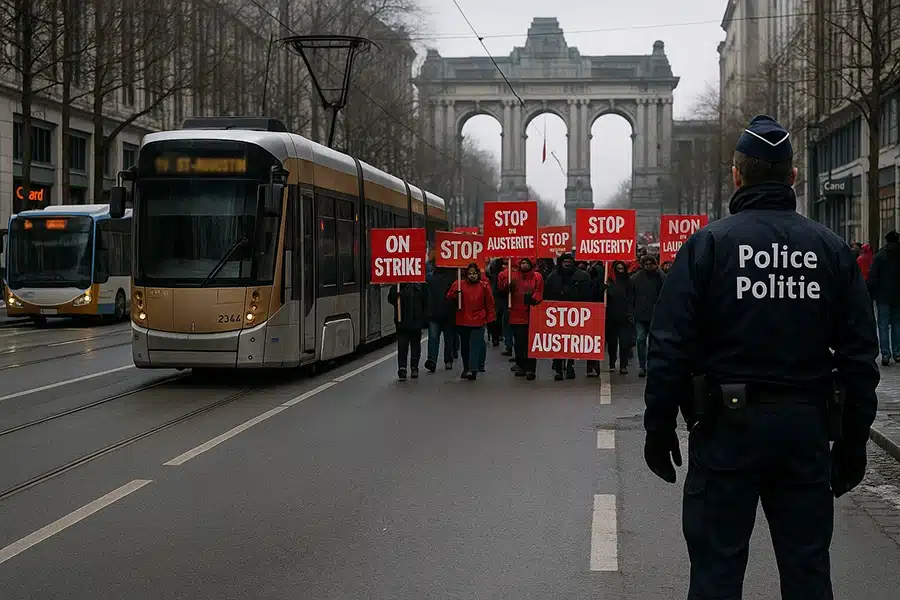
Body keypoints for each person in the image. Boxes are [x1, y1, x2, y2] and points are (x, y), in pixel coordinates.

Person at [643, 115, 879, 600]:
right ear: (793, 176)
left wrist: (659, 425)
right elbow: (860, 357)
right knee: (808, 572)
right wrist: (854, 443)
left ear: (736, 175)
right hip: (805, 431)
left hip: (726, 432)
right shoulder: (831, 250)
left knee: (716, 574)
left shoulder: (707, 245)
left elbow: (669, 346)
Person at [544, 252, 591, 380]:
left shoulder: (582, 276)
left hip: (575, 314)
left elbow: (588, 295)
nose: (567, 264)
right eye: (565, 261)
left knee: (571, 342)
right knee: (558, 342)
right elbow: (546, 294)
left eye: (569, 261)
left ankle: (570, 365)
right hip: (557, 315)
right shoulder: (553, 277)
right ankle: (558, 368)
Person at [446, 263, 496, 380]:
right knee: (465, 346)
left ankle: (473, 369)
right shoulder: (458, 285)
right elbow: (449, 297)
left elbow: (489, 304)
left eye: (474, 273)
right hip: (463, 320)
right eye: (470, 274)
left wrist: (491, 319)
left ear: (478, 274)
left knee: (475, 344)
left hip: (478, 320)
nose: (472, 276)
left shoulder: (484, 286)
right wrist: (455, 295)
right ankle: (466, 367)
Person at [499, 257, 544, 380]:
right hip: (516, 314)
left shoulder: (537, 277)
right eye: (522, 263)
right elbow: (502, 290)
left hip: (531, 313)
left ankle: (530, 368)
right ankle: (520, 364)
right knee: (519, 342)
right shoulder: (513, 276)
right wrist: (506, 285)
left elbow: (539, 291)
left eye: (526, 263)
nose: (524, 265)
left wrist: (533, 300)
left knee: (530, 342)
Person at [867, 231, 900, 366]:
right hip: (899, 296)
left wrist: (871, 293)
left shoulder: (881, 255)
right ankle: (897, 353)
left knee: (883, 325)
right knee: (898, 324)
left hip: (883, 296)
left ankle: (885, 354)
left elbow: (873, 276)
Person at [630, 255, 665, 378]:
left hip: (655, 315)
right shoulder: (636, 278)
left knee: (653, 342)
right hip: (640, 316)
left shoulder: (660, 277)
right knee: (640, 340)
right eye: (646, 264)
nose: (648, 266)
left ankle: (652, 365)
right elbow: (631, 296)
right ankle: (642, 366)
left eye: (651, 264)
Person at [387, 282, 430, 381]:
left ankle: (414, 367)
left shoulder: (421, 284)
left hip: (416, 320)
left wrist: (425, 318)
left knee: (415, 345)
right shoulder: (398, 284)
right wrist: (396, 292)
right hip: (402, 320)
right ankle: (402, 368)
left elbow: (426, 301)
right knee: (402, 345)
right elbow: (391, 298)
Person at [424, 265, 457, 372]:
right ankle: (447, 361)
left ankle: (433, 360)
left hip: (437, 313)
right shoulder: (452, 276)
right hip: (446, 313)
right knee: (447, 339)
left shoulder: (429, 278)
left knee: (434, 339)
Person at [605, 260, 634, 374]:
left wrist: (630, 312)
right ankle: (612, 363)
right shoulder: (609, 281)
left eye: (622, 269)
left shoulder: (629, 281)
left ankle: (623, 365)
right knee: (612, 342)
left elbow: (631, 297)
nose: (620, 271)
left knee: (624, 343)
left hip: (625, 317)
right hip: (611, 316)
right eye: (618, 269)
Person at [585, 262, 608, 377]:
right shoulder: (594, 282)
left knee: (593, 340)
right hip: (593, 312)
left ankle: (592, 365)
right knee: (595, 340)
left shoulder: (587, 280)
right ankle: (593, 365)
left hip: (593, 313)